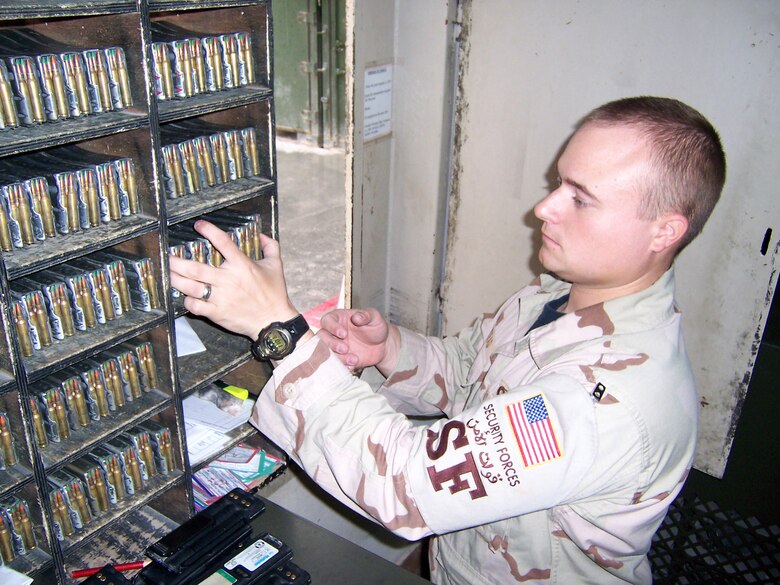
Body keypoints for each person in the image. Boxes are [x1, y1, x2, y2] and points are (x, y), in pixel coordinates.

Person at [169, 96, 726, 584]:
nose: (545, 208)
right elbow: (471, 370)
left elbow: (409, 485)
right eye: (560, 182)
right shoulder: (560, 293)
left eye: (581, 198)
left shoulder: (610, 399)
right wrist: (389, 351)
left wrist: (282, 333)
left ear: (664, 231)